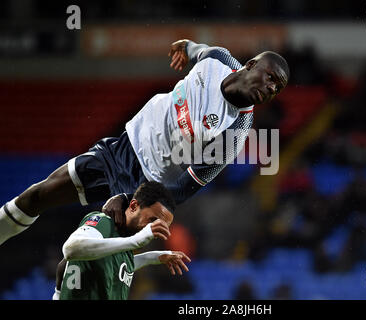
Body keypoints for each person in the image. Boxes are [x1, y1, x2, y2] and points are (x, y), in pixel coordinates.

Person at [0, 38, 290, 246]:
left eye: (277, 88)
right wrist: (183, 47)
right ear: (250, 65)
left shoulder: (236, 130)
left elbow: (185, 188)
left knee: (80, 260)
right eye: (270, 78)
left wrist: (133, 200)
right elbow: (196, 49)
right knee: (36, 196)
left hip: (144, 185)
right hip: (121, 149)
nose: (271, 88)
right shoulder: (220, 59)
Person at [52, 181, 191, 300]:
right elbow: (71, 249)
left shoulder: (123, 245)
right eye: (153, 220)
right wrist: (135, 241)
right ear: (134, 206)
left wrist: (153, 257)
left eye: (162, 227)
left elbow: (117, 265)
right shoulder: (104, 223)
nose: (154, 229)